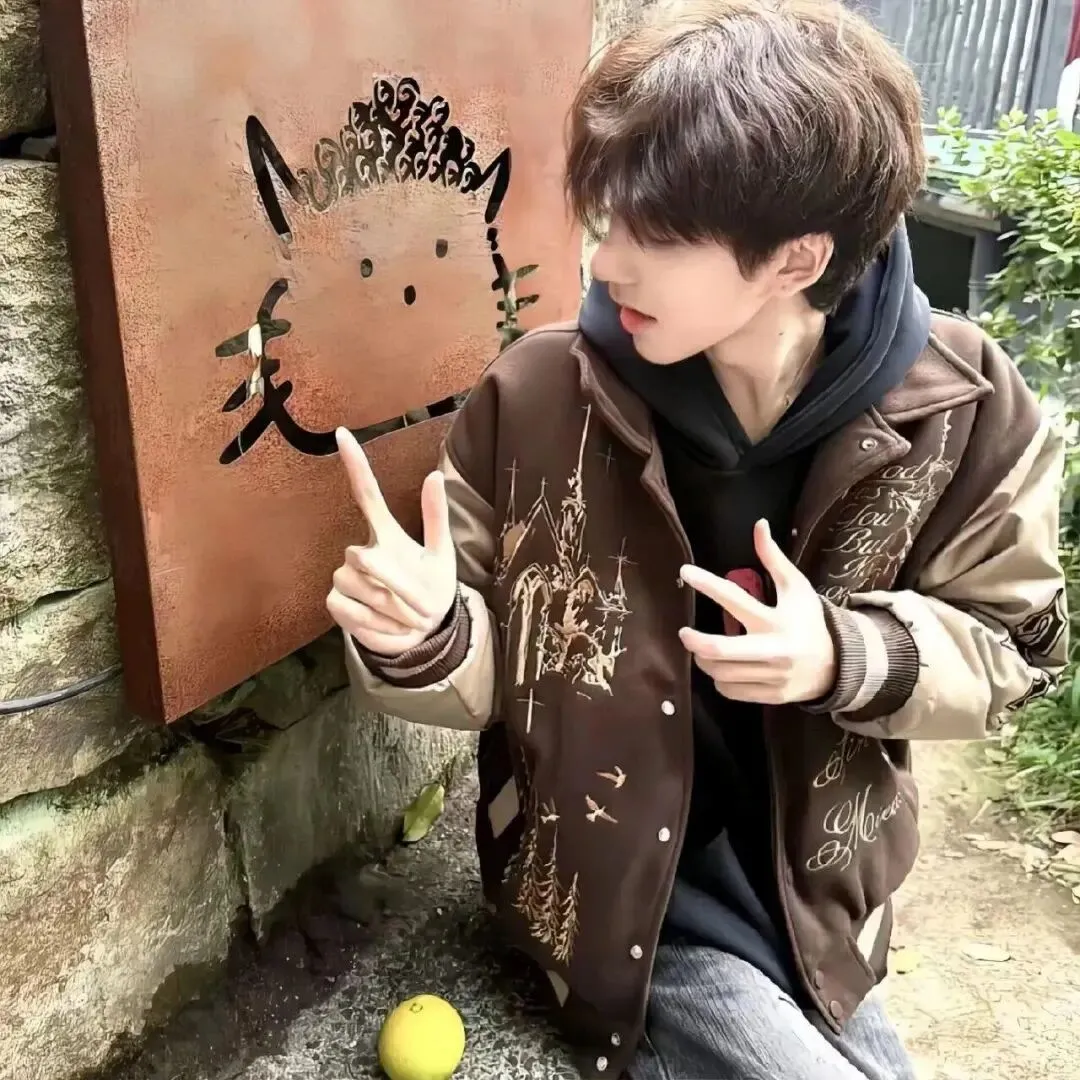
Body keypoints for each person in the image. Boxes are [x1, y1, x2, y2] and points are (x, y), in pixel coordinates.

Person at [326, 2, 1069, 1077]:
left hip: (816, 892)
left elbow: (1015, 650)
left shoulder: (965, 406)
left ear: (797, 258)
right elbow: (491, 673)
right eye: (608, 220)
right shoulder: (537, 396)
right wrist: (425, 634)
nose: (605, 265)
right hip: (615, 888)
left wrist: (841, 656)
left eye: (658, 237)